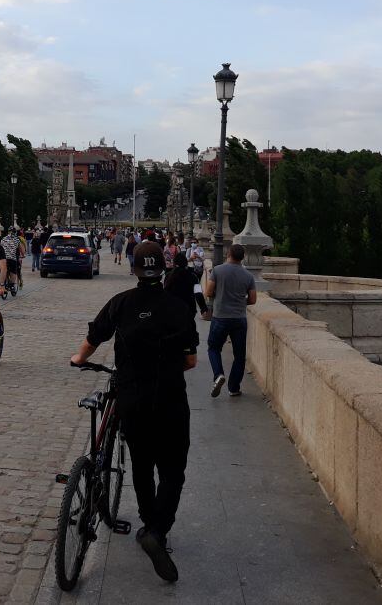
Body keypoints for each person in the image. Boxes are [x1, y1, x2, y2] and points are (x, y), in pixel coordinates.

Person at [70, 241, 198, 583]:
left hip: (132, 399)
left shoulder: (121, 302)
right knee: (172, 471)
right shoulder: (179, 308)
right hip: (170, 400)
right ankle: (157, 531)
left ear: (135, 269)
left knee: (141, 465)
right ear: (165, 269)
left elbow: (93, 338)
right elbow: (190, 360)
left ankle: (148, 521)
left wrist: (78, 359)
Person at [205, 243, 258, 398]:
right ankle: (234, 388)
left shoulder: (218, 270)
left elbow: (208, 292)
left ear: (228, 254)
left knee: (213, 348)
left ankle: (218, 374)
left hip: (220, 317)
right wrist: (240, 302)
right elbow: (253, 299)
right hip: (239, 319)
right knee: (239, 355)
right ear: (242, 258)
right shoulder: (248, 276)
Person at [164, 251, 209, 319]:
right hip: (189, 309)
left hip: (172, 309)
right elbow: (198, 293)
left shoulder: (168, 276)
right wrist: (203, 308)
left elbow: (165, 293)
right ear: (186, 263)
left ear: (174, 263)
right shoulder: (193, 276)